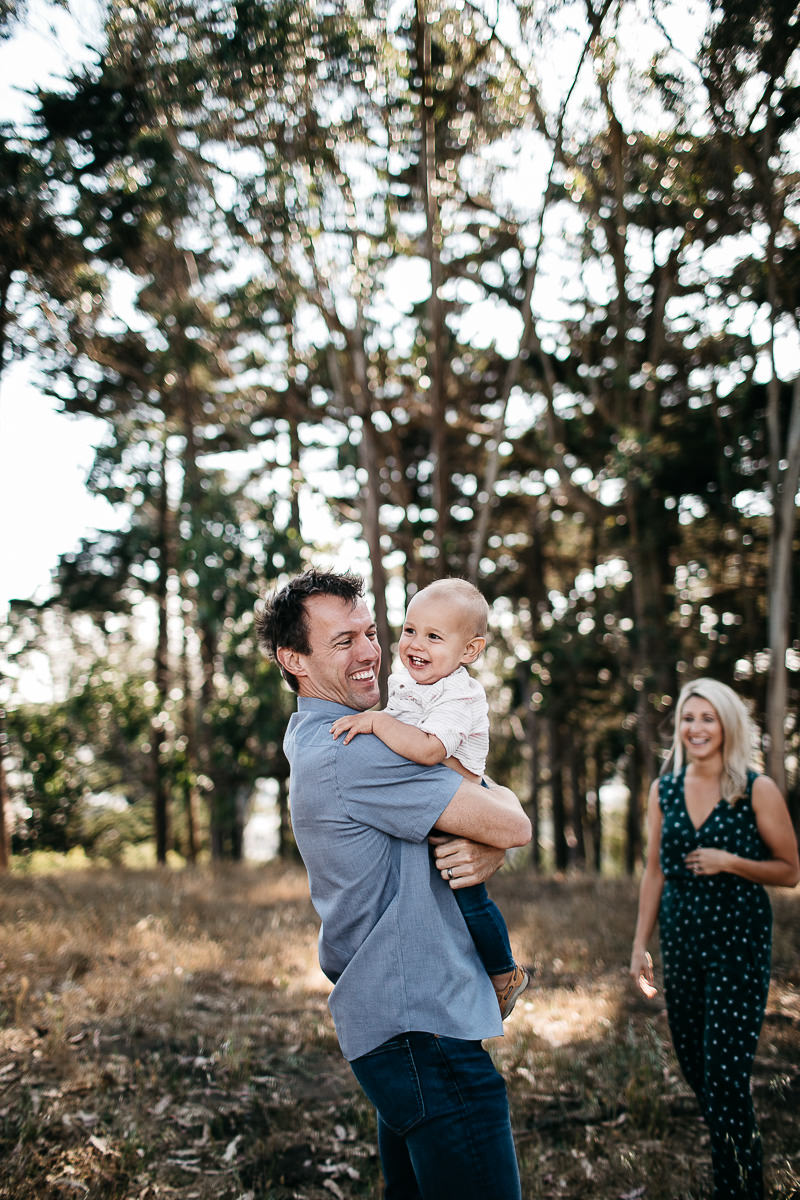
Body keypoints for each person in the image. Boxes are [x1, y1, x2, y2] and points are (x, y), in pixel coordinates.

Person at [256, 567, 531, 1200]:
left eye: (371, 632)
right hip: (422, 1026)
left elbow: (479, 824)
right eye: (342, 641)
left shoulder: (319, 736)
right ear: (293, 659)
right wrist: (493, 839)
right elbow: (511, 823)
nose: (372, 653)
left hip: (398, 1019)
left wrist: (482, 844)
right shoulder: (356, 748)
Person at [629, 678, 799, 1200]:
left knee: (725, 1079)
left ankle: (743, 1186)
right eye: (688, 718)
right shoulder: (666, 789)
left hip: (737, 946)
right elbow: (655, 871)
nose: (696, 728)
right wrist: (640, 945)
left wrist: (731, 863)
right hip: (682, 944)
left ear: (726, 724)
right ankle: (739, 1169)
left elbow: (790, 870)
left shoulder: (755, 787)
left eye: (707, 718)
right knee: (700, 1071)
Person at [329, 576, 529, 1018]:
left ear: (470, 651)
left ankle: (504, 973)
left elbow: (427, 749)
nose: (416, 644)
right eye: (409, 630)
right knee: (446, 894)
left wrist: (377, 722)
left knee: (470, 898)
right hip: (433, 800)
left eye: (434, 637)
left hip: (459, 795)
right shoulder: (409, 682)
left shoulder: (458, 694)